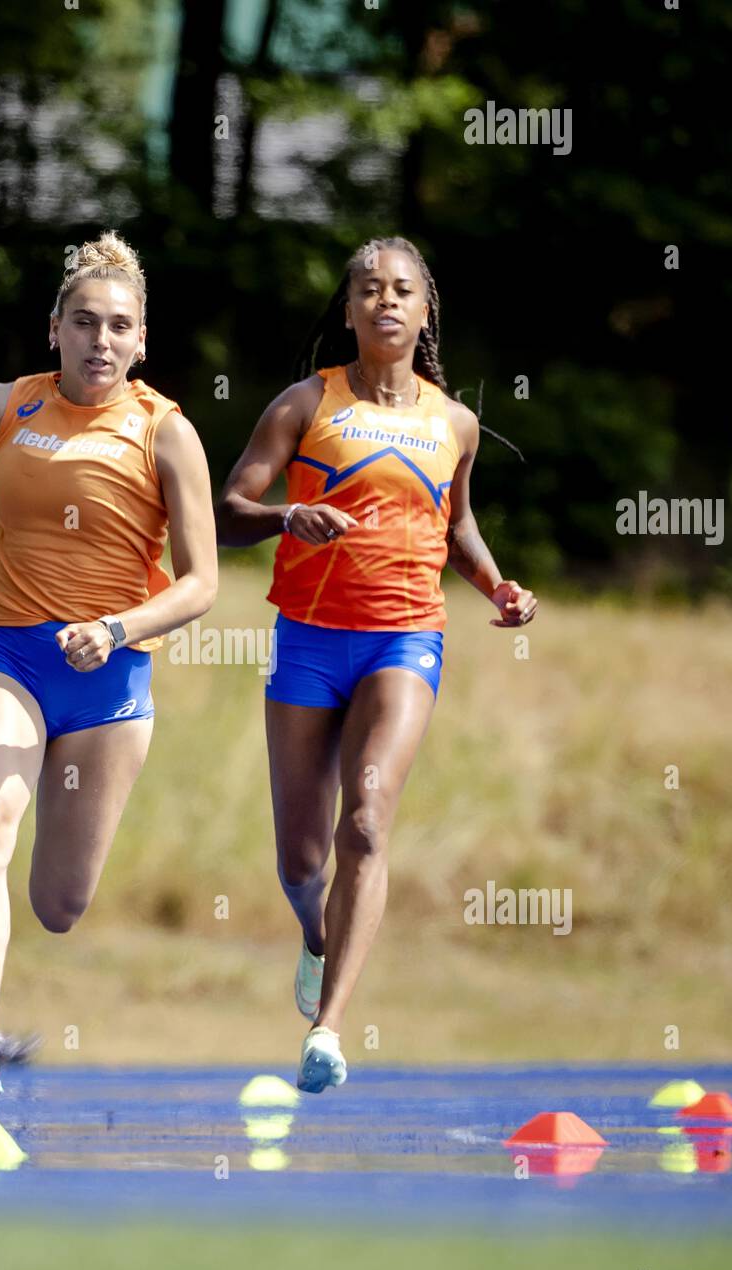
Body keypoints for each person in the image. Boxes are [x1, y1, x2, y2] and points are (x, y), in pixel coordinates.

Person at [216, 235, 537, 1093]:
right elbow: (226, 512)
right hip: (309, 641)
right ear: (349, 310)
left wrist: (497, 586)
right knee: (298, 860)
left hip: (405, 638)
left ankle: (326, 1031)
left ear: (424, 311)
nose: (385, 301)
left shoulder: (453, 422)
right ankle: (317, 940)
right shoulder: (302, 404)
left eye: (402, 290)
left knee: (364, 817)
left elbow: (456, 525)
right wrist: (288, 518)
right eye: (368, 290)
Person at [0, 231, 218, 1101]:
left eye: (119, 326)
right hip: (8, 654)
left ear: (141, 339)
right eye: (84, 322)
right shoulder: (4, 406)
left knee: (58, 904)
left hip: (111, 682)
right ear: (54, 328)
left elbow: (201, 585)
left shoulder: (166, 433)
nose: (100, 341)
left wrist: (118, 629)